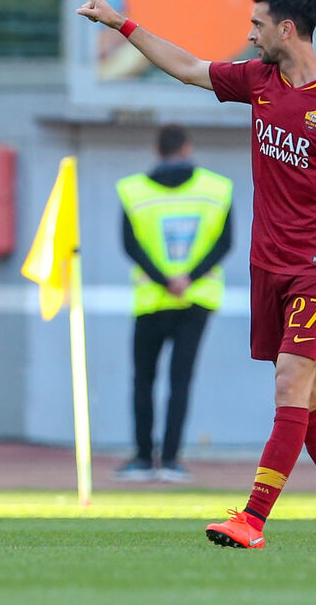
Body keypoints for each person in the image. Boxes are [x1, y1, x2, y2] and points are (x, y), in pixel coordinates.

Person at [73, 0, 316, 550]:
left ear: (286, 29)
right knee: (308, 394)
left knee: (291, 381)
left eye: (257, 24)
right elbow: (189, 68)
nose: (249, 34)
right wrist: (121, 25)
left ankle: (254, 518)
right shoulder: (258, 81)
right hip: (269, 264)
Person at [114, 125, 234, 483]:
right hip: (196, 300)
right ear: (186, 147)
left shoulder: (133, 190)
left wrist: (164, 280)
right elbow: (225, 243)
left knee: (143, 380)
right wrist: (189, 278)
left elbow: (130, 245)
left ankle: (140, 458)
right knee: (180, 381)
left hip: (151, 300)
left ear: (157, 149)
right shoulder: (217, 189)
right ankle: (169, 460)